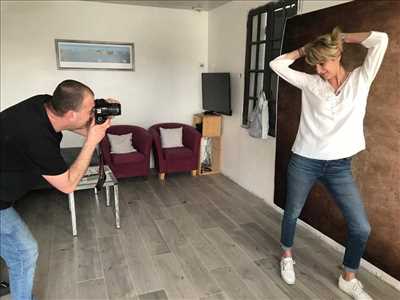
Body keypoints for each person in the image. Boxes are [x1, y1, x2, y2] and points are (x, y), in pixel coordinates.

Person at [269, 27, 388, 300]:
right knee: (292, 212)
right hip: (304, 160)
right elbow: (276, 64)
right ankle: (286, 255)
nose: (319, 69)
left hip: (339, 166)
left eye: (324, 62)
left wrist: (342, 37)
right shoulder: (311, 83)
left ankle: (349, 277)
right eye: (315, 64)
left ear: (338, 55)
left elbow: (380, 39)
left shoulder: (361, 79)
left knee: (361, 227)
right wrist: (304, 48)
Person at [0, 79, 112, 299]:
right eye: (90, 110)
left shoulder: (45, 103)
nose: (92, 114)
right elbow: (68, 185)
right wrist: (91, 142)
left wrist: (100, 120)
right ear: (70, 113)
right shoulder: (35, 137)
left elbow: (80, 126)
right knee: (24, 252)